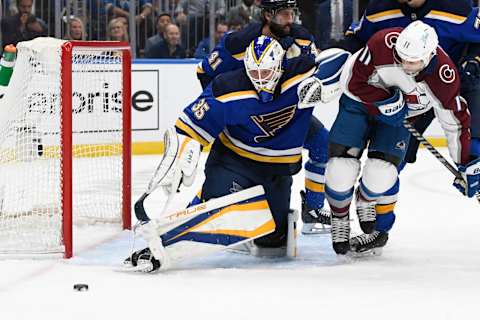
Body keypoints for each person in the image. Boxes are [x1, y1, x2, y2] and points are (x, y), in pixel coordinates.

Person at [123, 36, 348, 272]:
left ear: (281, 66)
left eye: (267, 73)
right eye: (256, 74)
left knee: (274, 243)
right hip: (234, 161)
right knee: (218, 214)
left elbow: (341, 58)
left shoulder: (302, 73)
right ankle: (177, 231)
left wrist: (322, 82)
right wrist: (180, 158)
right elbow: (188, 127)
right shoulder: (227, 89)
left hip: (276, 170)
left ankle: (311, 207)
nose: (261, 81)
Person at [325, 21, 479, 255]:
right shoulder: (382, 43)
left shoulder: (443, 76)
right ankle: (339, 218)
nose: (405, 65)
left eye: (413, 61)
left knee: (382, 173)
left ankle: (365, 200)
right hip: (358, 103)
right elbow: (352, 81)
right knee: (340, 168)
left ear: (429, 56)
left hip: (401, 117)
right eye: (402, 57)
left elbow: (455, 123)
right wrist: (386, 99)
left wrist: (466, 161)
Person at [196, 0, 332, 235]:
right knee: (226, 169)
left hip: (285, 116)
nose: (291, 20)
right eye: (284, 15)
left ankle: (313, 206)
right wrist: (225, 114)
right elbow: (204, 72)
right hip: (246, 117)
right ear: (268, 16)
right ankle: (205, 202)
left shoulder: (301, 38)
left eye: (293, 13)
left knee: (323, 144)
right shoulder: (238, 43)